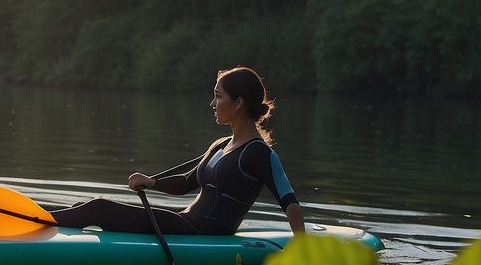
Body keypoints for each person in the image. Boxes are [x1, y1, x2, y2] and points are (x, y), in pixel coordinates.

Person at [51, 66, 305, 236]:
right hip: (186, 222)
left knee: (99, 208)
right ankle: (43, 228)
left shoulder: (259, 153)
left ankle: (29, 220)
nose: (212, 104)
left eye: (218, 96)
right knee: (84, 205)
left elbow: (290, 202)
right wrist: (152, 182)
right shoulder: (220, 144)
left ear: (238, 103)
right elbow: (186, 183)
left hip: (203, 231)